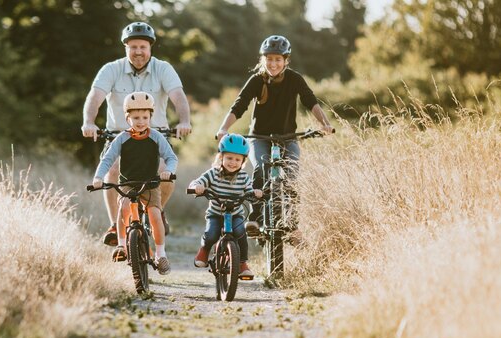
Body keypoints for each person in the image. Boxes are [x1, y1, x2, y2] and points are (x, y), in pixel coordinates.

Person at [81, 21, 193, 246]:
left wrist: (184, 121)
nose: (138, 51)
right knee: (111, 172)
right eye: (133, 47)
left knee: (166, 172)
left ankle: (157, 210)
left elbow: (177, 96)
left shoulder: (163, 68)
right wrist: (88, 122)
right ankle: (115, 224)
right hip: (118, 135)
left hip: (154, 134)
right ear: (126, 48)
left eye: (142, 46)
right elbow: (95, 96)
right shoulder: (111, 69)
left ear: (150, 47)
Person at [215, 35, 334, 236]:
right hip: (260, 137)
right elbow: (240, 104)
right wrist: (223, 128)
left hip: (288, 137)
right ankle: (254, 218)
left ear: (286, 60)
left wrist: (325, 124)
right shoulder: (257, 80)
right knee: (261, 168)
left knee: (293, 176)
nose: (273, 64)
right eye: (269, 59)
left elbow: (310, 101)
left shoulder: (295, 79)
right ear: (263, 60)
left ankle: (294, 226)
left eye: (278, 59)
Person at [92, 91, 178, 275]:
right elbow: (107, 160)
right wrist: (98, 178)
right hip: (128, 183)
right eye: (136, 117)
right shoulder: (122, 138)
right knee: (123, 209)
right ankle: (122, 245)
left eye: (145, 117)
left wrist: (169, 171)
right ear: (127, 118)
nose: (141, 121)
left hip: (150, 183)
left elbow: (171, 157)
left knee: (155, 214)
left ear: (150, 117)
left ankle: (161, 254)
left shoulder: (156, 136)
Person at [188, 134, 262, 277]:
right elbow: (197, 182)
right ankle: (204, 250)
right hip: (216, 214)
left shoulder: (243, 177)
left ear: (243, 161)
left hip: (235, 215)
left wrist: (255, 193)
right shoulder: (213, 173)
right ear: (221, 157)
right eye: (229, 158)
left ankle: (242, 263)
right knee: (211, 235)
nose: (233, 162)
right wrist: (197, 187)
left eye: (237, 159)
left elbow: (249, 190)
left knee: (241, 233)